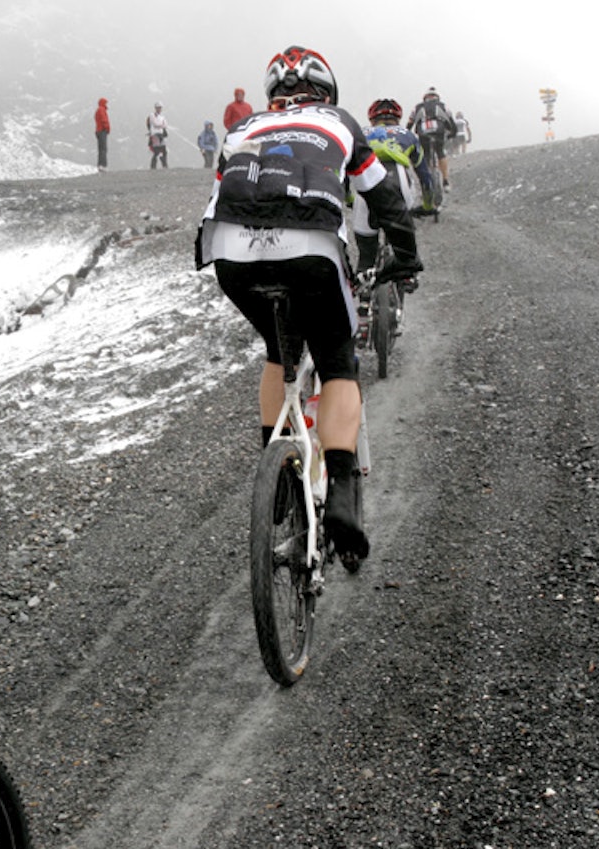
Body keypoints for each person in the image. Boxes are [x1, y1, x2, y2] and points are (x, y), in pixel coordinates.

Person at [195, 45, 422, 561]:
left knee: (280, 352)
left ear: (273, 93)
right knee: (339, 362)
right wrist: (405, 256)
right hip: (310, 248)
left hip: (229, 251)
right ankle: (341, 491)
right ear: (327, 91)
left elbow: (215, 200)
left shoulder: (243, 129)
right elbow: (382, 196)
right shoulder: (339, 122)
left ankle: (273, 471)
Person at [354, 98, 427, 275]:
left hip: (366, 190)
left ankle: (364, 299)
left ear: (372, 120)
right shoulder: (408, 135)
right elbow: (424, 174)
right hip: (400, 186)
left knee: (366, 256)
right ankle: (408, 275)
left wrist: (349, 200)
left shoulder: (360, 134)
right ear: (398, 119)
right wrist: (428, 205)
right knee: (403, 233)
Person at [407, 87, 457, 188]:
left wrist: (407, 134)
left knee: (425, 155)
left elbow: (410, 122)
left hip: (423, 133)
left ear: (425, 98)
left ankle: (426, 181)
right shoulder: (443, 106)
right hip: (439, 131)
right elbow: (451, 121)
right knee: (440, 152)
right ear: (437, 97)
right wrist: (453, 133)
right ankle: (445, 180)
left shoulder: (417, 107)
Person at [146, 101, 169, 169]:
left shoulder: (161, 116)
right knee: (157, 151)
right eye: (158, 108)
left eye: (160, 108)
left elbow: (165, 125)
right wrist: (161, 125)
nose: (159, 109)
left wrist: (161, 125)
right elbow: (155, 124)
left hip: (161, 135)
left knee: (164, 150)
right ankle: (153, 166)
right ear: (155, 108)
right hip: (154, 135)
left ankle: (164, 165)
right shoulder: (152, 115)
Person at [94, 97, 110, 171]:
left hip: (98, 131)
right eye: (106, 103)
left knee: (100, 149)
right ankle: (103, 165)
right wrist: (107, 128)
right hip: (102, 131)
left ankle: (100, 165)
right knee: (103, 149)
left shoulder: (98, 110)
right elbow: (104, 120)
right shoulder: (102, 110)